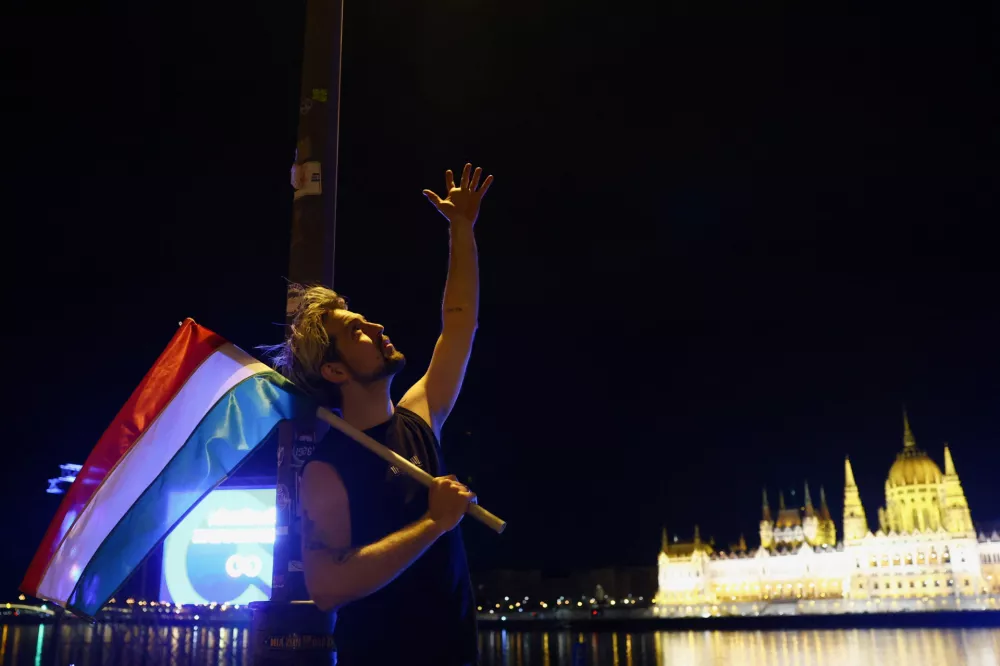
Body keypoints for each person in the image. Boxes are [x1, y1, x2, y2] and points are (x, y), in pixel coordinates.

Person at [268, 163, 493, 666]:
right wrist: (434, 523)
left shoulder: (419, 415)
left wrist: (462, 229)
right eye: (356, 332)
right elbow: (327, 586)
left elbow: (459, 326)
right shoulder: (328, 469)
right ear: (335, 371)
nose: (375, 325)